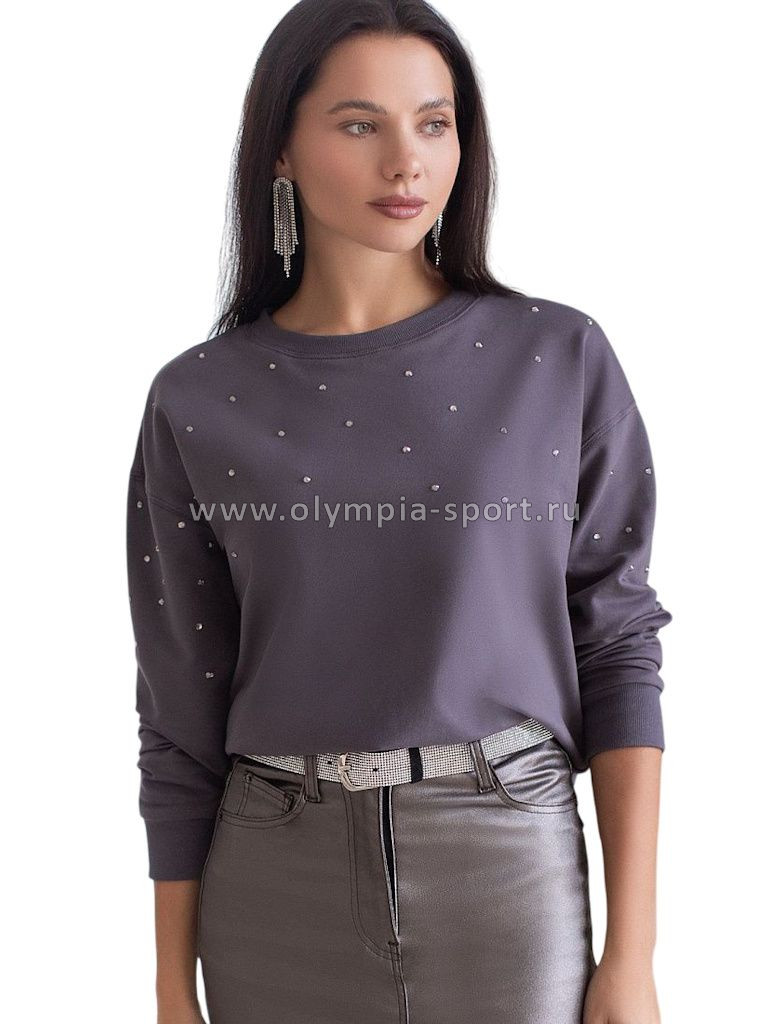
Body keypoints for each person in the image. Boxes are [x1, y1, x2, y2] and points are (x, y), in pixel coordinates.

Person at [125, 2, 672, 1022]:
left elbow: (618, 646)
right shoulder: (197, 399)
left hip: (506, 866)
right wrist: (169, 989)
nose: (406, 162)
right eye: (358, 124)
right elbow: (179, 706)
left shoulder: (557, 358)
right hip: (269, 883)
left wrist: (631, 955)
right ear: (280, 147)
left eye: (434, 122)